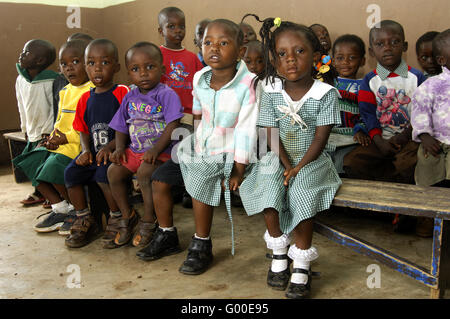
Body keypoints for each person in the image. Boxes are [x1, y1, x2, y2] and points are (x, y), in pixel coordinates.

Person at [238, 15, 342, 299]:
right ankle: (279, 252)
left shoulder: (326, 93)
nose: (291, 60)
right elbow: (270, 132)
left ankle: (303, 263)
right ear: (274, 59)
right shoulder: (271, 92)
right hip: (279, 154)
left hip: (312, 159)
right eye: (282, 54)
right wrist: (285, 165)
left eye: (299, 51)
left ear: (317, 57)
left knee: (303, 194)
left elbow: (320, 139)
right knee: (268, 185)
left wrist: (297, 168)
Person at [175, 19, 258, 275]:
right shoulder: (200, 77)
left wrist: (239, 168)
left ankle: (200, 242)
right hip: (207, 145)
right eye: (208, 42)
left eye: (224, 43)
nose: (214, 48)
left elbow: (247, 129)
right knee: (183, 159)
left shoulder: (250, 84)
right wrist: (198, 143)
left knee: (200, 176)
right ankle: (198, 239)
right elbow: (198, 115)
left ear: (240, 52)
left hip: (237, 151)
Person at [342, 20, 426, 233]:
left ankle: (406, 213)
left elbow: (423, 113)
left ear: (404, 46)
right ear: (371, 51)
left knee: (410, 164)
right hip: (380, 138)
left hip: (410, 139)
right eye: (380, 44)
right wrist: (378, 140)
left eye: (394, 42)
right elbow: (368, 114)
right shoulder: (369, 81)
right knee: (353, 161)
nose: (387, 48)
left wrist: (404, 136)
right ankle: (385, 211)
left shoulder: (417, 78)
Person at [107, 42, 183, 249]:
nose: (143, 73)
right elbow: (121, 126)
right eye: (135, 69)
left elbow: (173, 125)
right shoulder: (130, 96)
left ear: (162, 69)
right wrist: (120, 148)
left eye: (149, 67)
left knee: (144, 172)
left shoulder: (166, 94)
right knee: (114, 171)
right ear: (128, 73)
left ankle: (149, 220)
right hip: (136, 150)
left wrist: (156, 149)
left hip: (163, 151)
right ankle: (128, 215)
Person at [64, 39, 129, 248]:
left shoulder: (121, 92)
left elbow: (128, 125)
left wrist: (110, 147)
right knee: (71, 173)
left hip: (117, 152)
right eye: (91, 63)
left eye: (105, 63)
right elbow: (82, 129)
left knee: (103, 175)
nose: (97, 69)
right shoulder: (84, 98)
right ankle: (84, 217)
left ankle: (117, 216)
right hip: (94, 152)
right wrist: (84, 151)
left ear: (117, 67)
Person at [28, 40, 94, 235]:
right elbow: (60, 120)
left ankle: (77, 210)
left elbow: (86, 127)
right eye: (64, 64)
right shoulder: (65, 91)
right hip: (59, 143)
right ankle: (60, 208)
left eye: (75, 61)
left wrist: (65, 138)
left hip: (77, 146)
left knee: (52, 167)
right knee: (30, 162)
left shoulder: (91, 91)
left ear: (88, 63)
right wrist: (51, 137)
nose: (69, 68)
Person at [158, 6, 204, 208]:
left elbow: (201, 85)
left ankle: (188, 187)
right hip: (162, 114)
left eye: (181, 26)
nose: (178, 31)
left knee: (184, 148)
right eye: (171, 26)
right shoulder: (156, 55)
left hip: (186, 114)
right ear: (161, 30)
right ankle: (170, 186)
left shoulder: (192, 58)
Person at [411, 29, 450, 237]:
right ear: (443, 59)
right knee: (428, 182)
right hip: (434, 142)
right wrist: (424, 135)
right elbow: (419, 110)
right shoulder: (432, 85)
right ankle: (426, 222)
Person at [13, 39, 58, 207]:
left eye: (27, 53)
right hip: (31, 130)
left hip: (46, 132)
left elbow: (54, 109)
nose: (22, 54)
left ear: (39, 61)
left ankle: (52, 195)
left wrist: (47, 131)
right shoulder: (20, 80)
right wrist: (24, 126)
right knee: (30, 165)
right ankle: (41, 193)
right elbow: (21, 105)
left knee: (44, 165)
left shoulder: (51, 81)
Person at [329, 34, 370, 174]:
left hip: (351, 138)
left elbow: (367, 112)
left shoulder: (365, 86)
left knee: (343, 165)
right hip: (328, 136)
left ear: (363, 60)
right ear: (333, 61)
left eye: (352, 57)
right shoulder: (327, 85)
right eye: (340, 58)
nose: (345, 62)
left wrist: (361, 129)